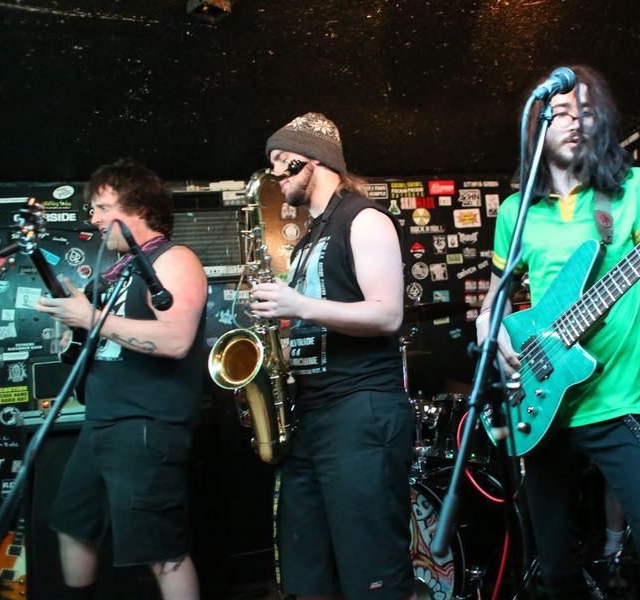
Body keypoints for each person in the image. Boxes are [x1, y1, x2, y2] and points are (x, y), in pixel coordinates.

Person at [476, 66, 640, 599]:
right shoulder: (516, 212)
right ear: (537, 127)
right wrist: (490, 327)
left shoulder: (633, 189)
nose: (574, 121)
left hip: (620, 402)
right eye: (560, 112)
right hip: (542, 406)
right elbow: (495, 301)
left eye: (585, 111)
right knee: (556, 572)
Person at [249, 112, 416, 600]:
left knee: (373, 579)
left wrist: (298, 305)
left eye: (282, 161)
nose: (275, 174)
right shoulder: (308, 237)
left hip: (359, 413)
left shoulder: (364, 219)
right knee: (308, 578)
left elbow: (387, 314)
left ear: (313, 160)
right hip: (311, 418)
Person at [35, 159, 208, 600]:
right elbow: (103, 337)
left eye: (102, 207)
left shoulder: (174, 259)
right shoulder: (118, 272)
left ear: (139, 208)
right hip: (102, 421)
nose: (93, 219)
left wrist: (91, 319)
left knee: (163, 553)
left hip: (145, 425)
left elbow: (176, 339)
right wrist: (72, 331)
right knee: (73, 525)